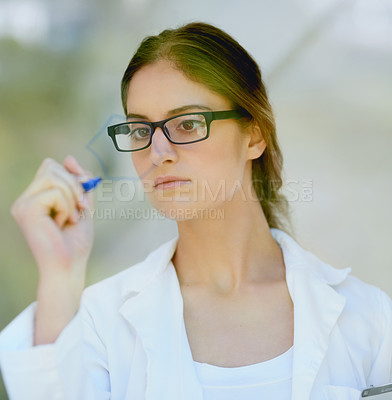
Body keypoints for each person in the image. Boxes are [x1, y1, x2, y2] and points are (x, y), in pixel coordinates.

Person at [0, 22, 391, 400]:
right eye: (140, 131)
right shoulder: (102, 322)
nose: (158, 153)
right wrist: (59, 272)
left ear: (254, 135)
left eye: (187, 124)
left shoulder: (369, 319)